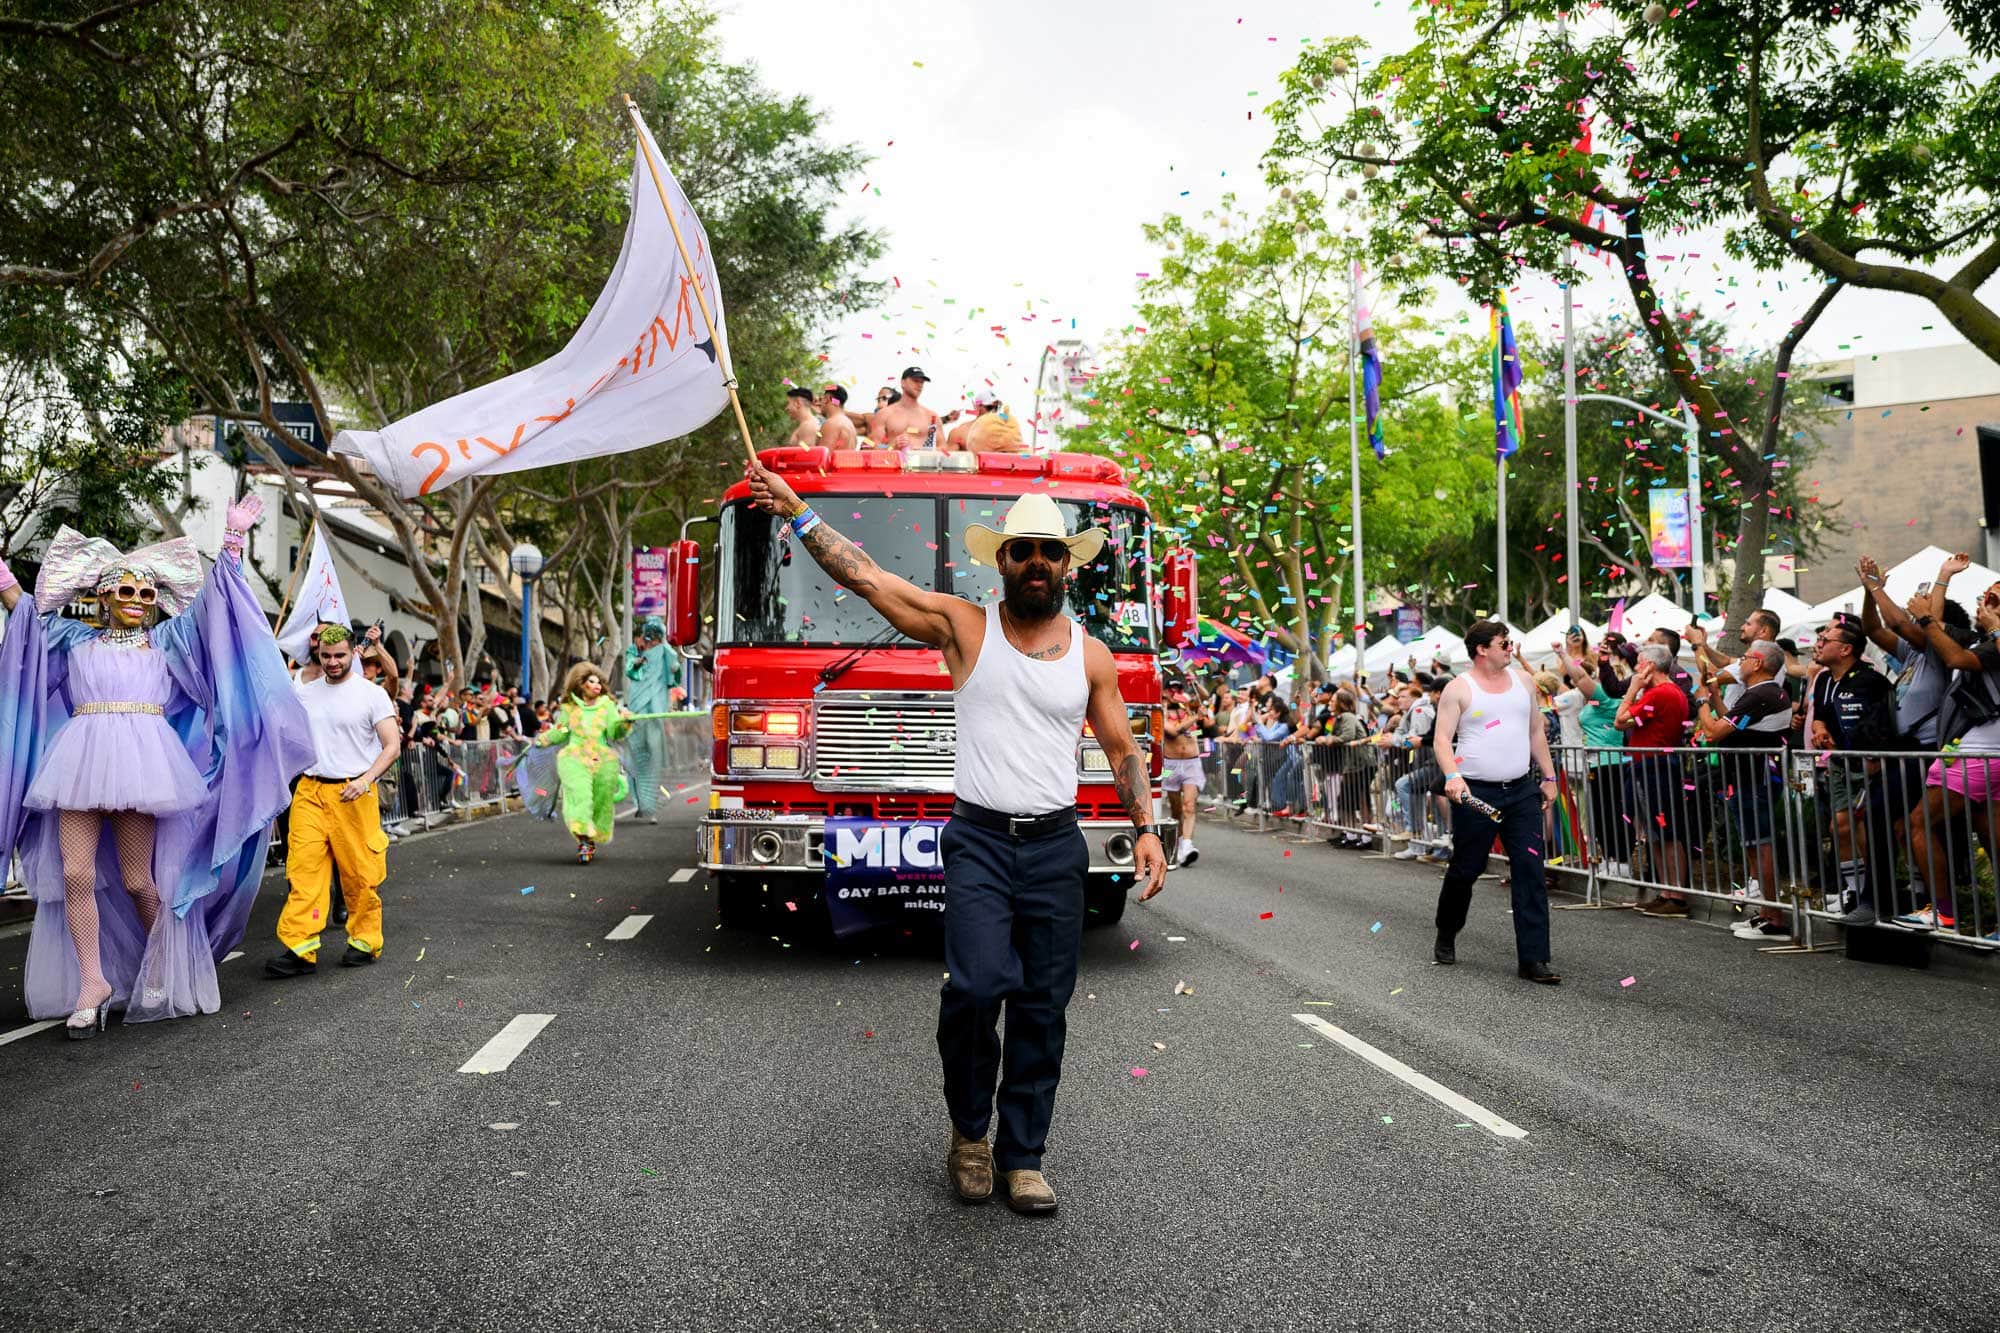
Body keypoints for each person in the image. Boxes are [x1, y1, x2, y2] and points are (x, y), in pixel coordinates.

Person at [745, 458, 1165, 1217]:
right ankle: (970, 1135)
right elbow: (870, 577)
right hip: (977, 841)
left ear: (1068, 565)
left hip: (1055, 847)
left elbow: (1123, 749)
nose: (1036, 562)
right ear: (1001, 561)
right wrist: (797, 510)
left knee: (1044, 1004)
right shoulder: (964, 628)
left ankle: (1023, 1156)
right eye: (1021, 550)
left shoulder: (1093, 656)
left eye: (1049, 551)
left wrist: (1146, 827)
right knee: (975, 988)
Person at [0, 502, 313, 1034]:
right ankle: (93, 981)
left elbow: (218, 608)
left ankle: (163, 963)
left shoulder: (168, 642)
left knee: (137, 879)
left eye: (147, 594)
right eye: (126, 591)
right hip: (79, 762)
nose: (138, 602)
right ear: (102, 595)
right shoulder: (73, 641)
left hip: (144, 766)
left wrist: (233, 537)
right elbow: (24, 614)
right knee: (76, 873)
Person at [265, 625, 401, 978]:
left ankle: (365, 939)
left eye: (340, 655)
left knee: (358, 875)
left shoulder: (372, 695)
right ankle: (300, 946)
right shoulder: (306, 694)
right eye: (326, 656)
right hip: (310, 791)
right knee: (304, 871)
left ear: (354, 652)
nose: (333, 662)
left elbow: (392, 746)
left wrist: (365, 780)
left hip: (353, 795)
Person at [1430, 621, 1562, 984]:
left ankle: (1534, 959)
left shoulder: (1523, 682)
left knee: (1530, 871)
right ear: (1481, 649)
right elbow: (1442, 740)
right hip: (1475, 793)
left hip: (1520, 791)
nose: (1510, 647)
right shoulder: (1459, 689)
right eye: (1504, 643)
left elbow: (1536, 731)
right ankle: (1447, 930)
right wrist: (1453, 777)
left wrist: (1549, 778)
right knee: (1466, 869)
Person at [1855, 554, 1974, 923]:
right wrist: (1867, 594)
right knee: (1892, 823)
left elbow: (1901, 622)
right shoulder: (1912, 654)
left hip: (1922, 753)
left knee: (1888, 818)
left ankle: (1877, 901)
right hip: (1903, 750)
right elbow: (1874, 630)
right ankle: (1911, 898)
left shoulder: (1937, 652)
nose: (1914, 609)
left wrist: (1876, 586)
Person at [1896, 553, 2000, 931]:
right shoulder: (1985, 640)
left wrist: (1924, 617)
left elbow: (1956, 658)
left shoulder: (1995, 644)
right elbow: (1936, 628)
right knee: (1992, 837)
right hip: (1983, 750)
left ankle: (1943, 912)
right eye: (1985, 596)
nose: (1984, 603)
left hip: (1981, 749)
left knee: (1919, 823)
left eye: (1994, 600)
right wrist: (1944, 576)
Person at [1692, 640, 1793, 938]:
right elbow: (1732, 723)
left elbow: (1713, 732)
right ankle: (1765, 912)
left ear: (1758, 663)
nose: (1740, 662)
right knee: (1752, 844)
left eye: (1746, 657)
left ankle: (1774, 917)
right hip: (1747, 776)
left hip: (1756, 777)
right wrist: (1713, 695)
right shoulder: (1759, 694)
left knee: (1760, 844)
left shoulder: (1762, 694)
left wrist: (1702, 701)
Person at [1804, 613, 1899, 921]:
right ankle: (1853, 890)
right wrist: (1820, 729)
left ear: (1845, 649)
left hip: (1868, 766)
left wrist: (1875, 757)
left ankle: (1875, 891)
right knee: (1838, 827)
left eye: (1825, 641)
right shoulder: (1825, 679)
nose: (1819, 645)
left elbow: (1886, 719)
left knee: (1861, 827)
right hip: (1838, 763)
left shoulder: (1871, 680)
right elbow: (1821, 713)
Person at [1617, 644, 1693, 913]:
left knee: (1666, 831)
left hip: (1655, 765)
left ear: (1650, 665)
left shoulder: (1661, 693)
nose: (1636, 669)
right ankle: (1666, 891)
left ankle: (1677, 895)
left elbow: (1620, 720)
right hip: (1650, 763)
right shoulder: (1660, 692)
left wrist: (1632, 689)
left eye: (1639, 663)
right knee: (1656, 832)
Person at [530, 663, 631, 863]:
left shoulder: (608, 706)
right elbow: (563, 730)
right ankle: (583, 838)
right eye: (591, 681)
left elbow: (613, 732)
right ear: (581, 684)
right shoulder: (569, 708)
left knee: (601, 800)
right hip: (574, 758)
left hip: (602, 759)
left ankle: (592, 837)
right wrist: (544, 739)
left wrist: (625, 723)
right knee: (579, 794)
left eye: (599, 682)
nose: (597, 686)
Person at [622, 616, 680, 823]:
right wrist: (638, 660)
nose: (652, 641)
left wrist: (673, 664)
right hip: (637, 709)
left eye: (657, 637)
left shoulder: (665, 652)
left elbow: (674, 667)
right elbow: (630, 668)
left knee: (653, 756)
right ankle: (639, 803)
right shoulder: (633, 651)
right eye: (649, 636)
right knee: (635, 756)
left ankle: (649, 806)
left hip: (655, 711)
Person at [1160, 688, 1203, 866]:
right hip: (1170, 766)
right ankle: (1177, 844)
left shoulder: (1188, 710)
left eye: (1173, 693)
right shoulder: (1159, 713)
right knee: (1176, 810)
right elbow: (1173, 731)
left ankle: (1187, 845)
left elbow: (1207, 717)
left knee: (1189, 806)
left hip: (1192, 764)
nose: (1170, 697)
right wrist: (1195, 717)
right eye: (1166, 695)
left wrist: (1199, 713)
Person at [867, 366, 941, 450]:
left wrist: (920, 448)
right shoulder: (884, 414)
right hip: (894, 461)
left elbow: (944, 447)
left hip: (921, 462)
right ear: (903, 383)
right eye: (915, 381)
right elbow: (873, 445)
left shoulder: (930, 416)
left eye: (922, 382)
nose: (919, 385)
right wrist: (892, 447)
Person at [946, 393, 1027, 454]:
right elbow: (949, 460)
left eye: (996, 408)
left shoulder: (1006, 427)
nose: (993, 411)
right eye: (989, 407)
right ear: (977, 406)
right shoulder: (960, 432)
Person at [817, 384, 860, 450]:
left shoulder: (831, 423)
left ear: (827, 398)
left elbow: (823, 457)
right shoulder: (850, 426)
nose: (819, 404)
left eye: (821, 399)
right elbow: (836, 402)